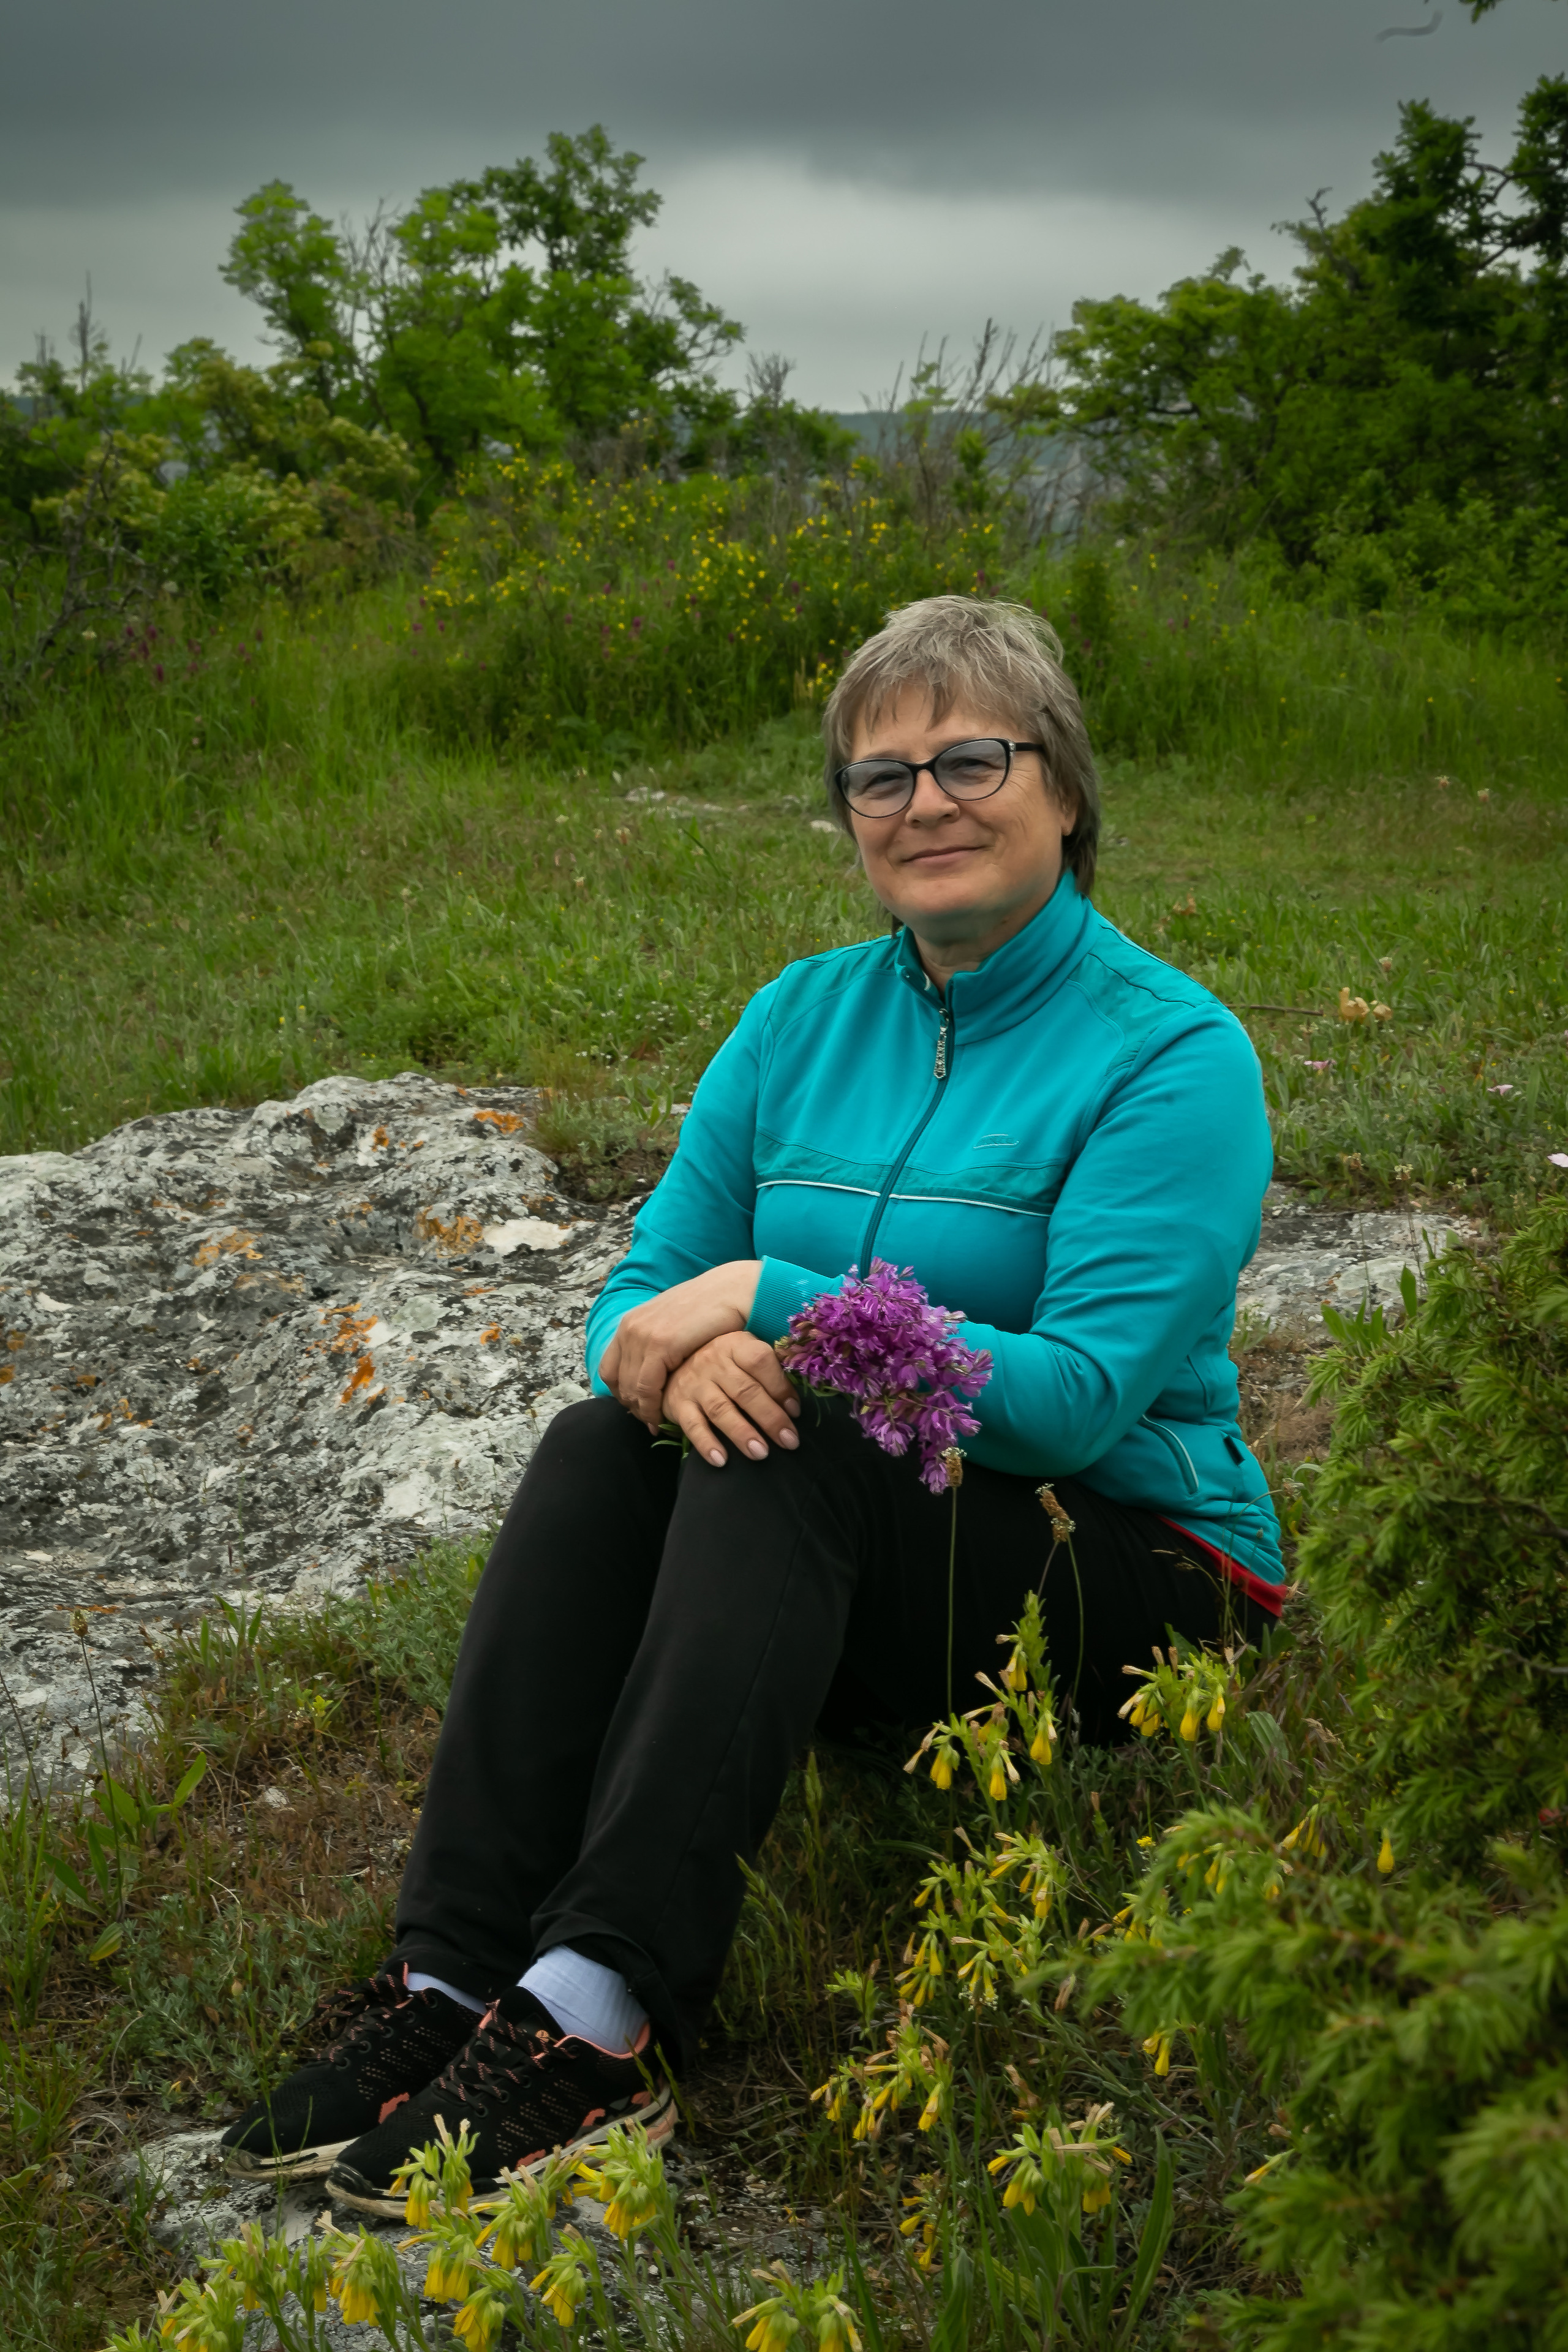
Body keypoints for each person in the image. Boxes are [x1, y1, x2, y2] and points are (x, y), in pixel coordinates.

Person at [221, 594, 1281, 2214]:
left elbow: (1067, 1409)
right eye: (882, 777)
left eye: (971, 760)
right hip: (875, 1569)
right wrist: (679, 1344)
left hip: (1131, 1574)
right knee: (606, 1443)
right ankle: (449, 1978)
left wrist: (777, 1306)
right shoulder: (798, 1018)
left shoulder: (1172, 1056)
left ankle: (598, 2016)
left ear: (1063, 789)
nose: (925, 803)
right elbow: (630, 1310)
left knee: (802, 1446)